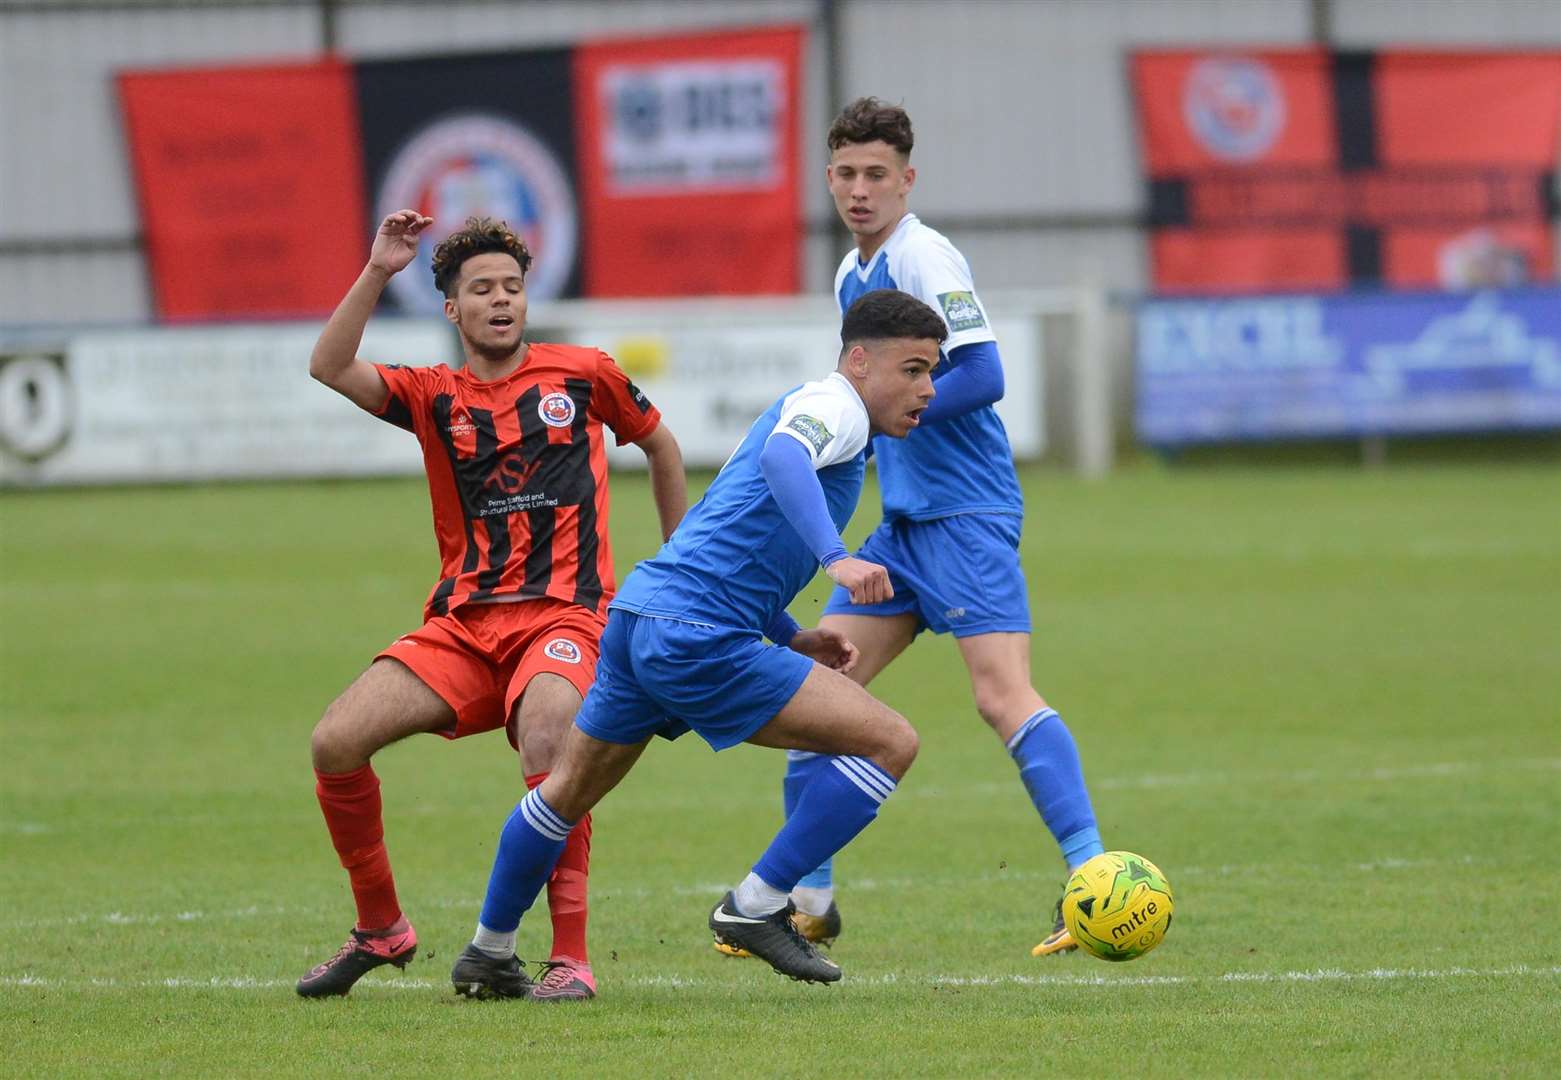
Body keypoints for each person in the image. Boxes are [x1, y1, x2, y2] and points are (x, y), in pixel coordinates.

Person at [448, 289, 944, 996]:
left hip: (643, 618)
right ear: (859, 361)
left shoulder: (812, 410)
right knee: (889, 742)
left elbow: (727, 538)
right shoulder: (833, 407)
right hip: (693, 635)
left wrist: (789, 634)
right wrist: (837, 558)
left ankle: (488, 951)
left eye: (932, 372)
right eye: (914, 368)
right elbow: (782, 461)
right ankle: (755, 906)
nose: (927, 389)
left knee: (564, 796)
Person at [298, 211, 686, 1000]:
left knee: (550, 738)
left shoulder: (583, 373)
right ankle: (381, 927)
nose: (501, 300)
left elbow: (662, 447)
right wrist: (377, 268)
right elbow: (329, 366)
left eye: (512, 286)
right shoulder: (431, 394)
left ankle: (569, 958)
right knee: (335, 741)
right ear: (453, 310)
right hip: (464, 627)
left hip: (565, 616)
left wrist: (680, 572)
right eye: (482, 289)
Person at [769, 97, 1105, 957]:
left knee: (1000, 696)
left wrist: (894, 419)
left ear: (906, 179)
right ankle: (805, 904)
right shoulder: (853, 274)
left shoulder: (924, 255)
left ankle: (1093, 884)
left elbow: (984, 372)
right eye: (843, 173)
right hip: (905, 523)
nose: (857, 189)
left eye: (875, 174)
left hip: (965, 514)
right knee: (817, 700)